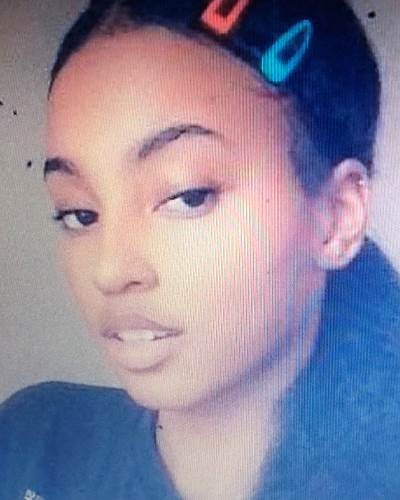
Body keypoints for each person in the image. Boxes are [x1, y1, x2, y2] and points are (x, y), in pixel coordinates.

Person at [1, 0, 400, 498]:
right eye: (79, 213)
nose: (110, 271)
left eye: (188, 197)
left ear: (336, 216)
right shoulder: (30, 445)